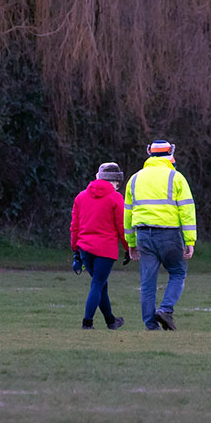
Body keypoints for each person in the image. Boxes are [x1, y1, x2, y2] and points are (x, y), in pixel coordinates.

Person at [124, 140, 196, 330]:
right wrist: (190, 240)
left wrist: (131, 243)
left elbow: (128, 214)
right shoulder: (176, 177)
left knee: (147, 282)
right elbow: (187, 211)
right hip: (169, 235)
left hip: (143, 235)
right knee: (178, 272)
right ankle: (165, 309)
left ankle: (151, 326)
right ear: (170, 155)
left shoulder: (135, 178)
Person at [71, 162, 131, 329]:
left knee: (101, 285)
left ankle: (111, 321)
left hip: (85, 248)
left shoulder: (80, 197)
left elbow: (74, 226)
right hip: (106, 249)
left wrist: (75, 251)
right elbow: (122, 226)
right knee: (98, 284)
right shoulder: (116, 198)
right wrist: (128, 248)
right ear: (114, 181)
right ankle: (87, 322)